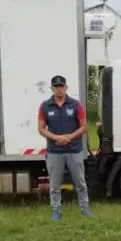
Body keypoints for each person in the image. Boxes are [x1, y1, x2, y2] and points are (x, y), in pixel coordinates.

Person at [37, 75, 93, 220]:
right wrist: (57, 138)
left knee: (80, 183)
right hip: (54, 151)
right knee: (54, 185)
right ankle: (56, 211)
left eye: (61, 86)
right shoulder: (45, 106)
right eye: (56, 86)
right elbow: (41, 129)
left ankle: (85, 209)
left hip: (74, 150)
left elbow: (84, 127)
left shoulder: (76, 105)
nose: (59, 89)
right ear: (52, 88)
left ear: (66, 88)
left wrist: (68, 137)